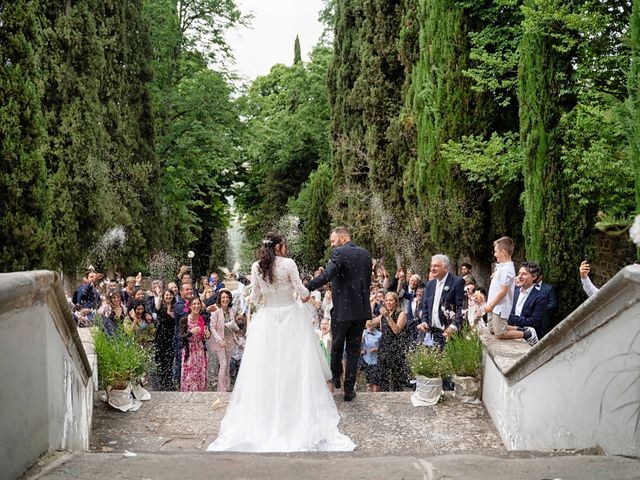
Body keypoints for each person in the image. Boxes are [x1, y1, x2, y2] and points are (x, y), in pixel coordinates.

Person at [208, 232, 354, 452]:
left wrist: (258, 297)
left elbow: (255, 297)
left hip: (266, 320)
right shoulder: (289, 264)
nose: (286, 247)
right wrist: (307, 294)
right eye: (285, 244)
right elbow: (302, 290)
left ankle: (267, 412)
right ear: (279, 246)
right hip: (290, 317)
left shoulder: (257, 266)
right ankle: (294, 410)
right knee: (294, 366)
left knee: (266, 367)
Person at [305, 227, 373, 402]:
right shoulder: (366, 254)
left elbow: (327, 275)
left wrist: (307, 287)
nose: (332, 245)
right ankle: (349, 390)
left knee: (336, 346)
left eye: (333, 241)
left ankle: (336, 378)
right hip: (361, 311)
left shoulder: (339, 253)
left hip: (343, 310)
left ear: (343, 238)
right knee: (353, 351)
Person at [417, 254, 465, 349]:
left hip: (451, 334)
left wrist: (453, 326)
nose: (432, 268)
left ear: (445, 268)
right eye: (431, 266)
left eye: (436, 266)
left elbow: (462, 307)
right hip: (433, 334)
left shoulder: (457, 282)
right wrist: (424, 321)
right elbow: (425, 307)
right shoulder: (429, 285)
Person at [498, 262, 547, 346]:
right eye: (519, 273)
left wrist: (510, 316)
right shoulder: (513, 292)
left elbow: (534, 322)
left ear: (534, 277)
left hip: (528, 341)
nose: (520, 276)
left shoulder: (540, 297)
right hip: (511, 336)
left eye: (524, 274)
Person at [370, 292, 410, 391]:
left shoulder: (401, 314)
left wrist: (388, 317)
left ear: (396, 302)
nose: (388, 302)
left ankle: (397, 402)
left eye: (391, 300)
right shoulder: (383, 315)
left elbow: (396, 330)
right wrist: (371, 304)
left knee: (396, 380)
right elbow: (369, 323)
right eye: (386, 300)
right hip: (384, 348)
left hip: (397, 349)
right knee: (383, 378)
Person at [484, 237, 516, 338]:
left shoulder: (507, 269)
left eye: (496, 251)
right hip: (494, 305)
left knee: (500, 334)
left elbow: (503, 291)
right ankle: (518, 328)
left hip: (499, 306)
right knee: (492, 329)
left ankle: (527, 333)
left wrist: (491, 305)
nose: (494, 254)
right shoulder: (502, 267)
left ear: (503, 253)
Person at [179, 297, 208, 392]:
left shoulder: (202, 319)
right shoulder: (184, 320)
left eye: (198, 304)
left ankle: (200, 395)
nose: (196, 306)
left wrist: (207, 335)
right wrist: (190, 332)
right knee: (189, 375)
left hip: (200, 350)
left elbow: (204, 337)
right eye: (194, 304)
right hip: (189, 351)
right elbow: (181, 337)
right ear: (190, 306)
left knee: (200, 373)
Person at [155, 289, 176, 390]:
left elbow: (174, 317)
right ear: (164, 296)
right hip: (161, 334)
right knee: (161, 359)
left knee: (170, 359)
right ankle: (162, 382)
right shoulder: (161, 306)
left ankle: (169, 382)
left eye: (170, 295)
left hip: (171, 334)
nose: (169, 297)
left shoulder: (175, 307)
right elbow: (157, 309)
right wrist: (159, 296)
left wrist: (169, 310)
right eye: (167, 295)